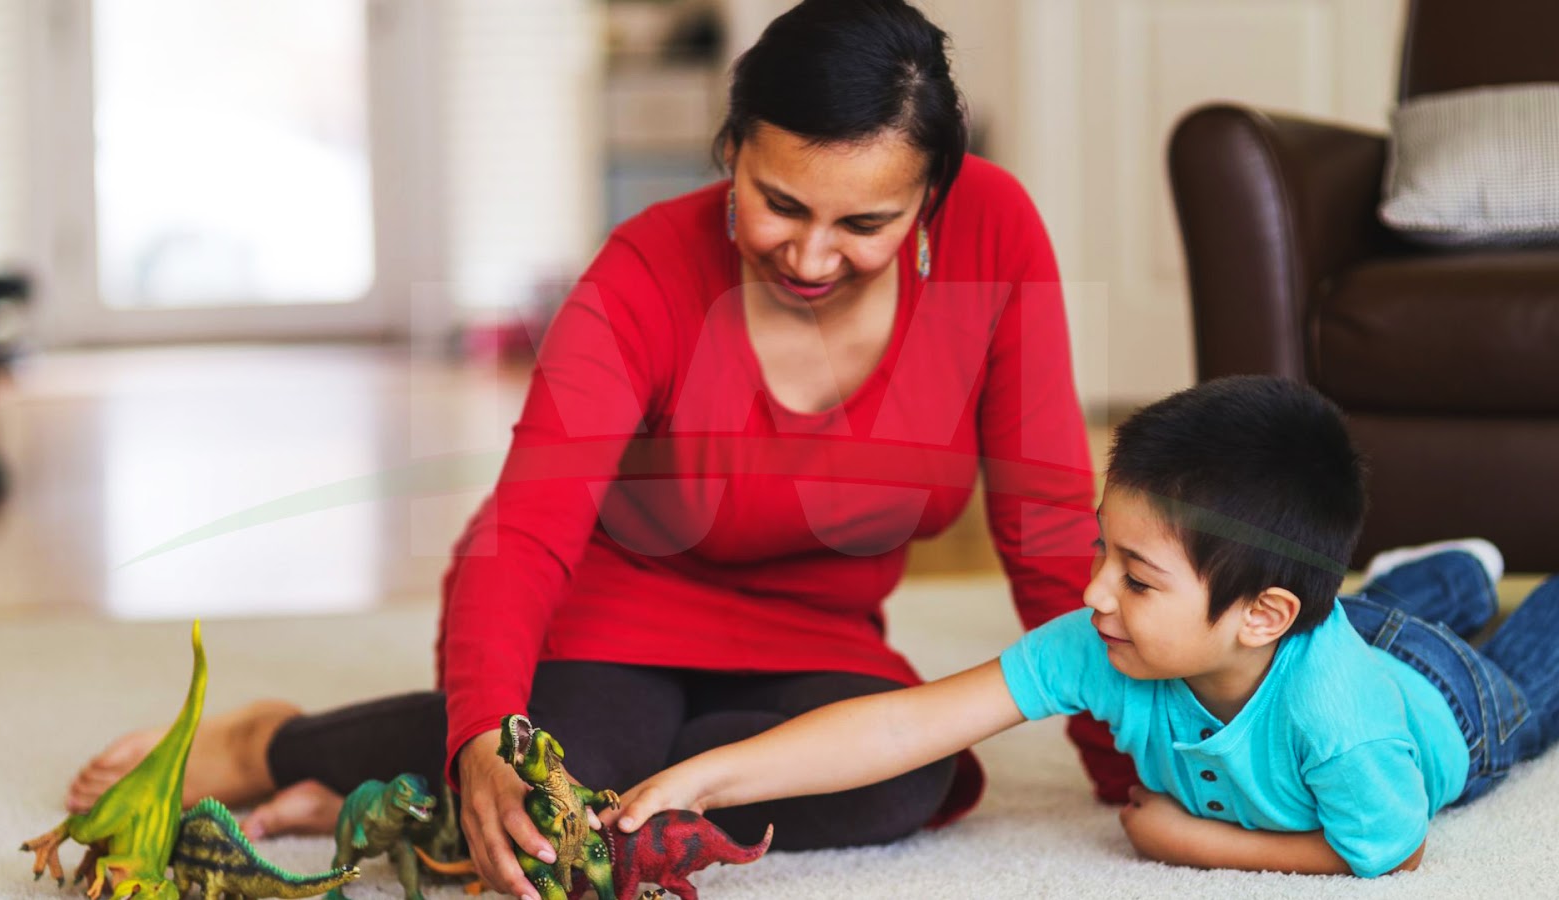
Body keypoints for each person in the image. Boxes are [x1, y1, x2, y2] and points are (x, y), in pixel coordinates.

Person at [66, 0, 1137, 895]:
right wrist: (485, 730)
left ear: (932, 199)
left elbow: (1043, 523)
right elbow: (524, 529)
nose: (813, 255)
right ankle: (277, 744)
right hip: (607, 613)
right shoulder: (640, 272)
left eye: (867, 225)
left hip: (815, 636)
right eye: (778, 204)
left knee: (906, 781)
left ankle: (446, 777)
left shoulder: (996, 236)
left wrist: (1123, 762)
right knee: (547, 815)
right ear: (730, 154)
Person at [612, 375, 1559, 878]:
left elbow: (1390, 853)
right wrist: (706, 777)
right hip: (1322, 627)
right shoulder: (1111, 641)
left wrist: (1190, 843)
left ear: (1262, 617)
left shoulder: (1340, 725)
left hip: (1445, 705)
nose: (1096, 592)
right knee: (1363, 618)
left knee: (1526, 683)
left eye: (1135, 577)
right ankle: (1432, 581)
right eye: (1103, 552)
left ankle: (1450, 593)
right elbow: (910, 720)